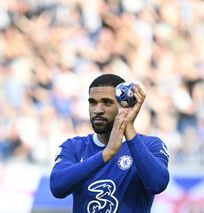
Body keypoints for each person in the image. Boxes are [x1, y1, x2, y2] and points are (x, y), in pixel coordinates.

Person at [49, 73, 170, 213]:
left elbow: (158, 184)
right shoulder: (74, 147)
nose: (97, 110)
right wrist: (107, 153)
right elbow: (57, 187)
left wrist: (128, 127)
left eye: (107, 102)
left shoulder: (150, 145)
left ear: (125, 105)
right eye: (92, 102)